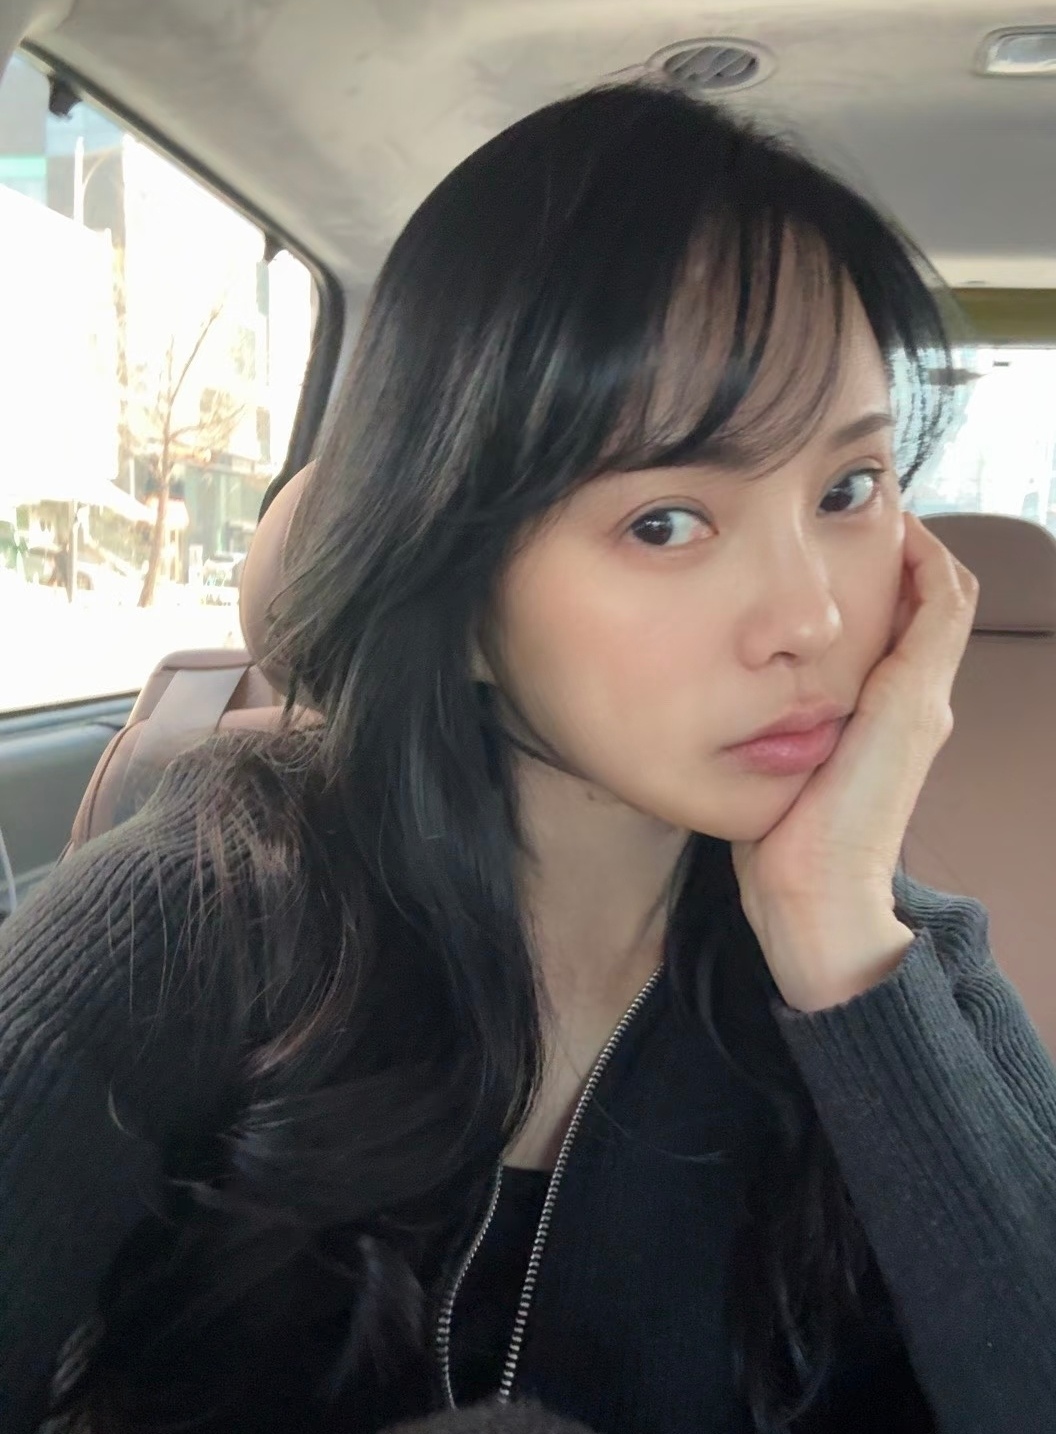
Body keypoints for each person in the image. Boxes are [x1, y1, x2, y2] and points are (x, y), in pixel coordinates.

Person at [1, 78, 1054, 1434]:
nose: (814, 619)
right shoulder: (183, 927)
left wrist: (838, 938)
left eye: (847, 490)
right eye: (667, 521)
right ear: (458, 578)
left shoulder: (906, 972)